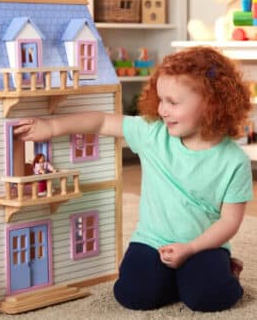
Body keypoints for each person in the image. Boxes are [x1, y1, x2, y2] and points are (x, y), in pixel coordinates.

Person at [14, 46, 253, 312]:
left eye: (173, 103)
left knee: (206, 298)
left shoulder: (234, 161)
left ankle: (228, 274)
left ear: (212, 103)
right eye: (161, 100)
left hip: (203, 245)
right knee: (133, 295)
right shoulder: (152, 134)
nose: (163, 110)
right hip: (152, 240)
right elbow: (102, 123)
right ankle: (181, 279)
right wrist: (52, 127)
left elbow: (230, 222)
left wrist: (191, 248)